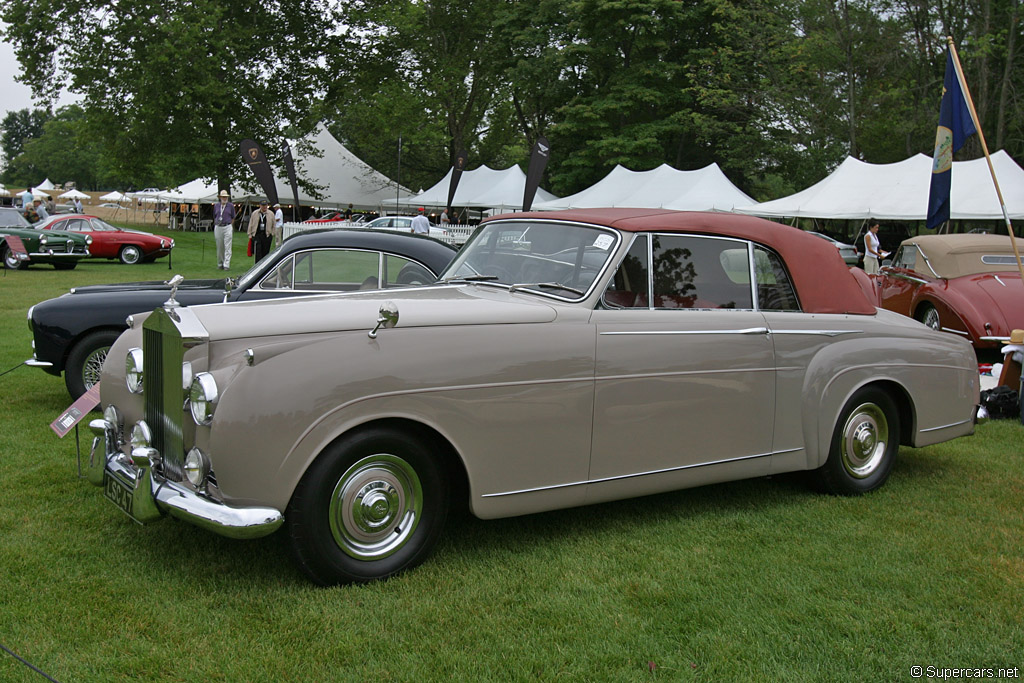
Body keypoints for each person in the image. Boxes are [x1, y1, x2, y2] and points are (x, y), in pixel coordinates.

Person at [212, 190, 236, 270]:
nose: (225, 198)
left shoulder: (230, 206)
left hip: (227, 226)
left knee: (228, 246)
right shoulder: (216, 206)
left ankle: (227, 264)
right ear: (220, 197)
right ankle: (220, 263)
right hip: (218, 226)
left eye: (226, 197)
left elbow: (233, 217)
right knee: (220, 246)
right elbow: (214, 215)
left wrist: (230, 226)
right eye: (223, 197)